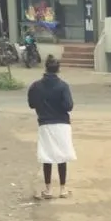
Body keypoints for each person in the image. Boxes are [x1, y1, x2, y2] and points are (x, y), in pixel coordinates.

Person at [27, 55, 76, 199]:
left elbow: (31, 104)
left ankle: (48, 189)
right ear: (58, 69)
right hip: (62, 123)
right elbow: (69, 106)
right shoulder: (63, 86)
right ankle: (63, 189)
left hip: (45, 123)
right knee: (61, 156)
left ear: (45, 68)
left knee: (47, 156)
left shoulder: (35, 86)